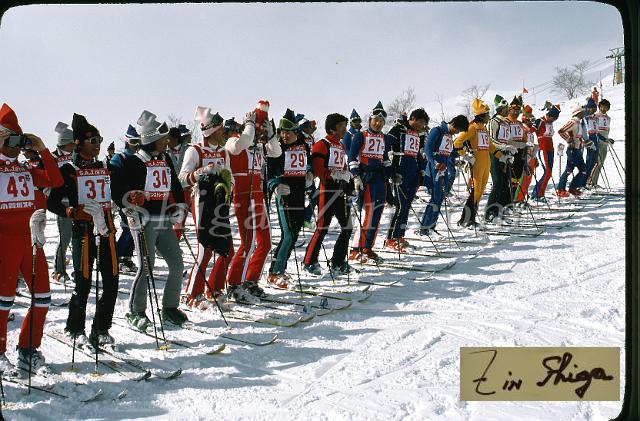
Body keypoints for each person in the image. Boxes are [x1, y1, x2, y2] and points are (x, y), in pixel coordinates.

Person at [47, 113, 120, 348]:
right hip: (83, 232)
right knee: (83, 284)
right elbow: (52, 202)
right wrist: (70, 211)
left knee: (111, 281)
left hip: (106, 230)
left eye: (99, 140)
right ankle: (75, 328)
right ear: (79, 143)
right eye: (93, 141)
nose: (97, 145)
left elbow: (120, 193)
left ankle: (101, 328)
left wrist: (131, 200)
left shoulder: (106, 167)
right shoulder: (68, 169)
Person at [112, 110, 189, 331]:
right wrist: (129, 205)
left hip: (164, 219)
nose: (167, 141)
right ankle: (135, 311)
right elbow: (118, 189)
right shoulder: (133, 162)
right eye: (163, 138)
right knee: (146, 266)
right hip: (144, 221)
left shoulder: (164, 158)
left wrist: (179, 206)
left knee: (177, 264)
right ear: (152, 139)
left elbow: (175, 185)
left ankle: (170, 307)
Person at [0, 103, 63, 373]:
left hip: (31, 241)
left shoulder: (26, 169)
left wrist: (42, 149)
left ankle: (28, 348)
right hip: (5, 242)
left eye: (19, 141)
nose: (15, 147)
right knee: (3, 301)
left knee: (43, 296)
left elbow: (55, 180)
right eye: (9, 141)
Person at [179, 106, 235, 309]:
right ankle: (192, 294)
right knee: (205, 249)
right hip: (201, 202)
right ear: (211, 130)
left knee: (226, 248)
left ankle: (214, 288)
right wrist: (200, 172)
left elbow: (230, 176)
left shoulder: (223, 152)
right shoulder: (194, 150)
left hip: (220, 202)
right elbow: (182, 179)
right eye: (221, 130)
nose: (224, 133)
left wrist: (229, 184)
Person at [226, 102, 282, 301]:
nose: (260, 133)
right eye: (258, 128)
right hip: (242, 196)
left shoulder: (259, 146)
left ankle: (251, 280)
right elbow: (238, 146)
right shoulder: (234, 140)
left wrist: (272, 135)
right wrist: (250, 125)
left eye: (262, 129)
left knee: (265, 243)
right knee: (247, 243)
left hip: (258, 197)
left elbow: (276, 153)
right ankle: (234, 283)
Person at [302, 113, 354, 275]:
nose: (344, 129)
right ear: (332, 128)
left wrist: (349, 181)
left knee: (347, 227)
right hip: (327, 190)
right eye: (341, 126)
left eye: (345, 125)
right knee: (322, 227)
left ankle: (338, 261)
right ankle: (309, 261)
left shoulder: (341, 146)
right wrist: (335, 175)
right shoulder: (322, 144)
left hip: (340, 191)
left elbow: (343, 167)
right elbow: (319, 169)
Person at [267, 109, 313, 287]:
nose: (284, 136)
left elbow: (308, 163)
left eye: (288, 132)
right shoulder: (277, 149)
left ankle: (281, 269)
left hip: (299, 194)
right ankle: (275, 272)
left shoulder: (303, 146)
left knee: (295, 234)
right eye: (282, 132)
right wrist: (275, 186)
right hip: (284, 194)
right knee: (288, 234)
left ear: (296, 132)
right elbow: (269, 174)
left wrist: (309, 174)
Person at [347, 101, 392, 264]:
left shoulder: (384, 138)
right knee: (368, 214)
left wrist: (391, 173)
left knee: (377, 214)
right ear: (370, 120)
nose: (378, 123)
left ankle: (367, 248)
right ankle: (355, 249)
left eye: (381, 121)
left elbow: (385, 158)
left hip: (380, 178)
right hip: (367, 177)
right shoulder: (361, 135)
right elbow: (351, 157)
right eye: (375, 120)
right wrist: (356, 176)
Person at [450, 98, 501, 228]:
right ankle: (467, 219)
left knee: (480, 191)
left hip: (486, 162)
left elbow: (491, 146)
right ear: (482, 116)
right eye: (487, 115)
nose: (489, 117)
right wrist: (465, 155)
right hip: (477, 162)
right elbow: (457, 142)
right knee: (476, 191)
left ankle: (470, 219)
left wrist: (502, 156)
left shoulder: (483, 128)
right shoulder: (472, 127)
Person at [384, 108, 429, 250]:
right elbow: (386, 145)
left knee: (406, 206)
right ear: (413, 118)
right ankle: (391, 239)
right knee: (400, 206)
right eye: (420, 122)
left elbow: (418, 154)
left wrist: (422, 171)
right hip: (400, 171)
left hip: (413, 172)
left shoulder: (417, 134)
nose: (421, 125)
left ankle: (400, 236)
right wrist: (391, 170)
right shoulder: (399, 129)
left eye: (423, 124)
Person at [419, 115, 469, 234]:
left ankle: (431, 227)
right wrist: (435, 163)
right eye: (458, 130)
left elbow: (449, 153)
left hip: (444, 168)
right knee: (436, 196)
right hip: (435, 167)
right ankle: (425, 228)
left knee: (440, 197)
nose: (457, 132)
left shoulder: (449, 135)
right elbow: (428, 149)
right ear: (454, 124)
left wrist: (460, 156)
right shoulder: (437, 131)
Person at [110, 125, 140, 275]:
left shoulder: (141, 157)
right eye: (133, 141)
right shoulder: (119, 157)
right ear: (127, 142)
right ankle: (117, 256)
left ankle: (127, 257)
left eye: (139, 141)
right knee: (128, 228)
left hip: (139, 199)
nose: (136, 145)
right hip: (124, 199)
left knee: (136, 229)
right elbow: (113, 180)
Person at [51, 122, 76, 284]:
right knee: (65, 237)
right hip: (62, 203)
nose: (73, 147)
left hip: (78, 201)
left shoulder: (77, 155)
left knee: (79, 237)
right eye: (71, 144)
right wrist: (52, 195)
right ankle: (59, 270)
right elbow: (43, 181)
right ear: (63, 143)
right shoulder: (52, 158)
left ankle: (79, 269)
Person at [484, 94, 515, 222]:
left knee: (504, 183)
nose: (508, 111)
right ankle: (490, 212)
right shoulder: (494, 122)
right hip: (494, 154)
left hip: (504, 155)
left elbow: (508, 139)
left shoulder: (506, 123)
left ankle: (501, 209)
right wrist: (503, 146)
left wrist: (510, 150)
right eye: (506, 109)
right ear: (500, 109)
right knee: (497, 183)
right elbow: (491, 140)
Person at [531, 104, 560, 201]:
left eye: (555, 119)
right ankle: (538, 195)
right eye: (553, 118)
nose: (553, 121)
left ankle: (537, 193)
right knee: (547, 172)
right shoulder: (540, 121)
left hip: (550, 150)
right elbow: (530, 131)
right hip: (543, 150)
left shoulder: (550, 123)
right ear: (549, 115)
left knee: (549, 173)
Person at [556, 106, 587, 197]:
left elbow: (578, 137)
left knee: (583, 170)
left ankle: (573, 188)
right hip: (572, 150)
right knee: (569, 170)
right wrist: (568, 139)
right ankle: (560, 189)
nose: (583, 113)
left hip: (578, 150)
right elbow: (561, 131)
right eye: (582, 112)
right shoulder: (573, 122)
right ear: (578, 113)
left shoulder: (578, 123)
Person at [514, 105, 537, 204]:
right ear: (525, 120)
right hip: (524, 157)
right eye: (531, 120)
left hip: (531, 157)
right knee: (522, 180)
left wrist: (535, 158)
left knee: (528, 179)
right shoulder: (523, 129)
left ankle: (522, 199)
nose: (533, 123)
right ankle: (517, 199)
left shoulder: (530, 132)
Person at [588, 99, 612, 187]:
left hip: (605, 142)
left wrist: (608, 140)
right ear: (599, 107)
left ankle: (594, 182)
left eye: (605, 107)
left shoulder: (608, 118)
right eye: (602, 107)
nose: (603, 109)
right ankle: (590, 181)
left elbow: (607, 130)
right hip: (597, 141)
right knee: (597, 162)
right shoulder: (595, 116)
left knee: (601, 163)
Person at [581, 98, 599, 190]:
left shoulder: (596, 117)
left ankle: (586, 180)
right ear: (588, 108)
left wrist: (604, 139)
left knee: (594, 161)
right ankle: (582, 182)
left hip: (596, 139)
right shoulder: (585, 117)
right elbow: (583, 130)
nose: (593, 109)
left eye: (594, 107)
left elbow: (597, 130)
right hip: (589, 139)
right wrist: (586, 141)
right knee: (589, 161)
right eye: (591, 107)